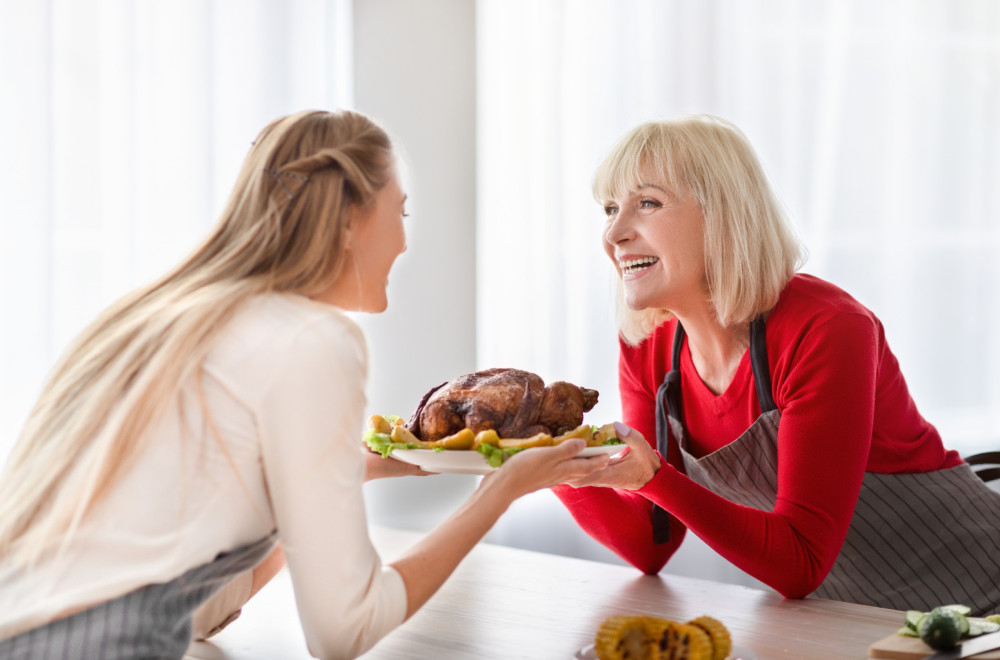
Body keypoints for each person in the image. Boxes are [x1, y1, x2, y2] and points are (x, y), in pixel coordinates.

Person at [0, 109, 609, 660]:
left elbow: (197, 616)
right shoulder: (312, 337)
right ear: (348, 220)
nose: (403, 241)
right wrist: (499, 492)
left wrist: (333, 479)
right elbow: (345, 631)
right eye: (399, 212)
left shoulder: (159, 319)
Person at [553, 115, 1000, 615]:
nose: (614, 234)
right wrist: (542, 459)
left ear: (723, 215)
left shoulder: (827, 328)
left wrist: (653, 477)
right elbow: (650, 542)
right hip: (850, 623)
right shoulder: (647, 347)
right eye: (610, 209)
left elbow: (801, 562)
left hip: (983, 607)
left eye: (648, 203)